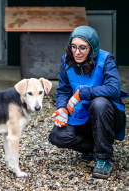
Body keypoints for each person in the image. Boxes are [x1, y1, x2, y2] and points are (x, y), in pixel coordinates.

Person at [48, 26, 127, 179]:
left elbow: (114, 89)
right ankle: (94, 146)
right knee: (57, 136)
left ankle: (103, 158)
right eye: (74, 47)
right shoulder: (66, 60)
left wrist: (81, 93)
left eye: (83, 48)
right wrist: (63, 109)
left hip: (108, 115)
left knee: (99, 103)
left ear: (92, 48)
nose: (77, 52)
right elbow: (63, 90)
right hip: (83, 117)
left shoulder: (106, 59)